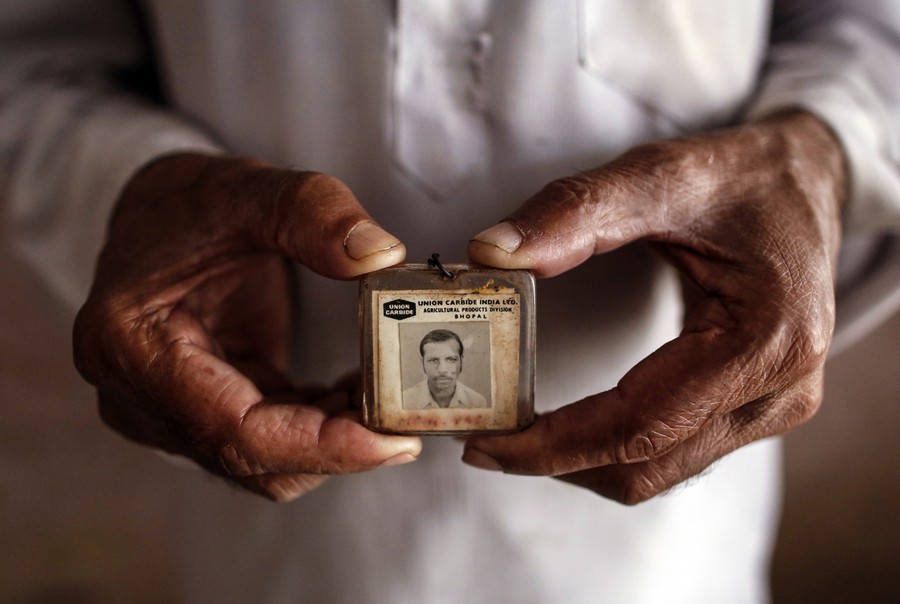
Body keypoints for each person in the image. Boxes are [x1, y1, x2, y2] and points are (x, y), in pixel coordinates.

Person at [3, 1, 900, 602]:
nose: (438, 359)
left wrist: (821, 153)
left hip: (664, 540)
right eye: (433, 354)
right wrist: (123, 184)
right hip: (281, 538)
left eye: (439, 355)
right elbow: (33, 46)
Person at [402, 329, 488, 410]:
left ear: (461, 361)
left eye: (451, 360)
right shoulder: (405, 401)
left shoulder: (477, 402)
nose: (442, 370)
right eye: (433, 360)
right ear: (422, 363)